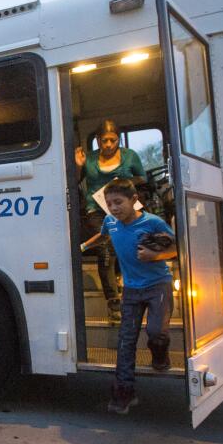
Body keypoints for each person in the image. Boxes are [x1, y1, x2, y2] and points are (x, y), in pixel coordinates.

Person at [80, 179, 177, 415]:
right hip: (132, 290)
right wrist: (83, 246)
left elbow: (177, 248)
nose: (113, 208)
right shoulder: (110, 222)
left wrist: (154, 256)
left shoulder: (152, 222)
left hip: (158, 286)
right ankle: (124, 392)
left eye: (119, 202)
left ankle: (160, 354)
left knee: (156, 331)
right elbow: (104, 236)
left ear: (134, 201)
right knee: (125, 342)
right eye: (109, 203)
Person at [75, 119, 146, 321]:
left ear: (118, 139)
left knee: (126, 242)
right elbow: (75, 182)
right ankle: (113, 300)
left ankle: (130, 286)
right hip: (96, 209)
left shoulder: (129, 156)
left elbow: (142, 178)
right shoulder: (90, 158)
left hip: (123, 209)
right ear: (97, 140)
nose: (108, 145)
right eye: (104, 140)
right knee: (106, 244)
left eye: (112, 140)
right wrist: (78, 167)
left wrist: (123, 183)